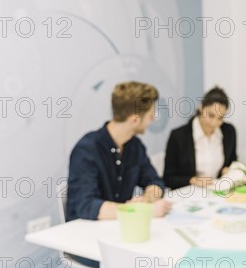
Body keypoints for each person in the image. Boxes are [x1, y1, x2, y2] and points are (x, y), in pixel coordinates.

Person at [66, 81, 172, 222]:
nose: (153, 119)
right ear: (134, 119)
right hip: (84, 234)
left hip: (118, 227)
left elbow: (155, 182)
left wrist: (147, 199)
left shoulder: (135, 146)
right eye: (151, 115)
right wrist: (140, 211)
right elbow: (87, 205)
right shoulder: (87, 150)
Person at [163, 86, 237, 189]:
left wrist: (227, 169)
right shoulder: (178, 136)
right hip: (189, 194)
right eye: (211, 115)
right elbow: (168, 178)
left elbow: (232, 160)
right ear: (201, 107)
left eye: (220, 118)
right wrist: (192, 180)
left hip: (217, 191)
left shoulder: (229, 131)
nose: (215, 123)